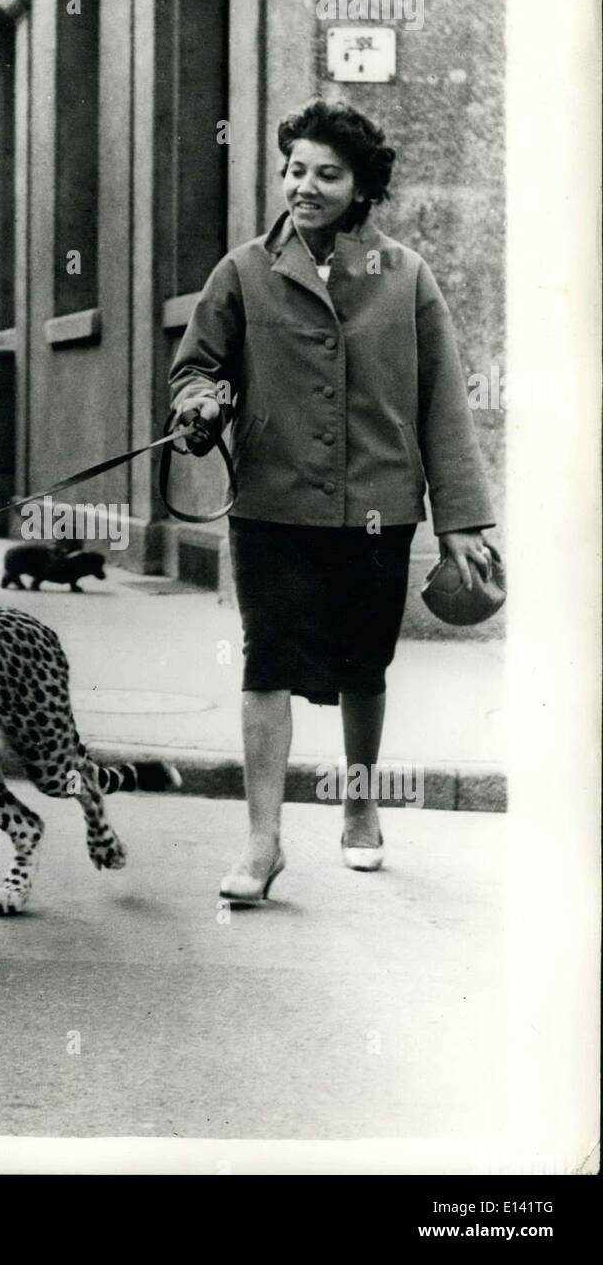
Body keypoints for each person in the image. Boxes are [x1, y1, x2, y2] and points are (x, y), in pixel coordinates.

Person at [170, 98, 500, 901]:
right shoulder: (243, 271)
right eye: (294, 170)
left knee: (364, 664)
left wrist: (461, 522)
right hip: (272, 503)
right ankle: (262, 841)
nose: (305, 186)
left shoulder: (407, 277)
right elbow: (196, 368)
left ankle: (359, 804)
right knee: (266, 661)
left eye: (327, 174)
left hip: (377, 509)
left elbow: (443, 404)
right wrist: (200, 403)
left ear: (360, 186)